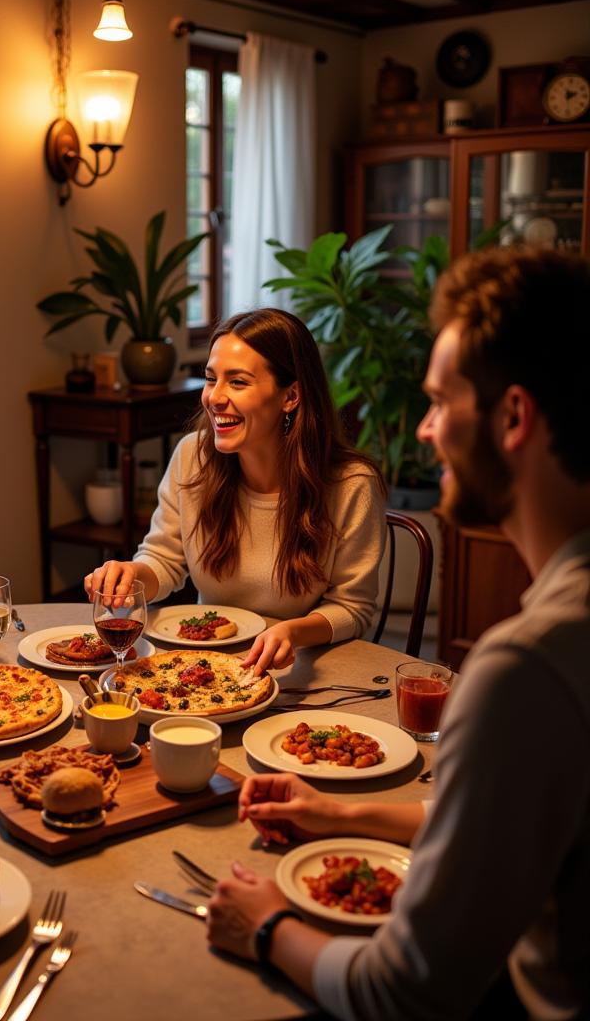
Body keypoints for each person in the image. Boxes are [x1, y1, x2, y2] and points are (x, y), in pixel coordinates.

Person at [205, 248, 590, 1019]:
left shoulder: (523, 665)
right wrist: (342, 813)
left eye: (442, 403)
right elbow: (502, 815)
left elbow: (406, 987)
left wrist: (268, 928)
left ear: (514, 418)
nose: (423, 431)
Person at [86, 308, 386, 676]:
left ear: (290, 396)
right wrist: (130, 576)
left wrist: (292, 632)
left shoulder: (351, 484)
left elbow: (352, 607)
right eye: (211, 379)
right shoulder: (191, 457)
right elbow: (163, 559)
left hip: (302, 669)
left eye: (238, 382)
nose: (214, 398)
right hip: (203, 666)